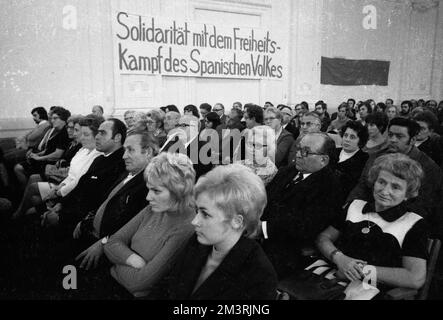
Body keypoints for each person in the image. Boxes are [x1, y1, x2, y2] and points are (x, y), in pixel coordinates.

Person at [316, 153, 428, 297]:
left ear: (407, 194)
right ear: (374, 182)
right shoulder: (354, 205)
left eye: (395, 187)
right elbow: (323, 238)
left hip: (371, 289)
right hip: (330, 276)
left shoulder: (414, 224)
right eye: (381, 182)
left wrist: (360, 270)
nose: (385, 191)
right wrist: (339, 258)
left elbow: (415, 278)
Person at [165, 164, 278, 300]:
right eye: (197, 211)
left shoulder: (260, 276)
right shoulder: (198, 241)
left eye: (205, 214)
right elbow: (165, 288)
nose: (194, 221)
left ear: (237, 221)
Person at [103, 152, 196, 298]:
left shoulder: (187, 227)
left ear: (180, 191)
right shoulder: (153, 209)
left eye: (156, 191)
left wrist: (115, 266)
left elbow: (139, 283)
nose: (148, 197)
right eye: (149, 189)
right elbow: (112, 242)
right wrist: (137, 262)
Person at [72, 131, 159, 270]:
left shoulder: (151, 184)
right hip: (91, 234)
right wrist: (87, 220)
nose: (124, 156)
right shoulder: (127, 173)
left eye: (130, 150)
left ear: (147, 152)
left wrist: (103, 242)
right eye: (124, 150)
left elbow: (134, 225)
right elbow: (106, 201)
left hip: (107, 248)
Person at [260, 133, 343, 277]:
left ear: (323, 160)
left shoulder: (330, 186)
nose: (298, 155)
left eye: (305, 152)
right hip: (261, 235)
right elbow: (265, 197)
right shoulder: (288, 171)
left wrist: (262, 228)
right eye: (298, 149)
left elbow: (304, 226)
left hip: (288, 250)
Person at [347, 117, 443, 239]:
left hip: (402, 223)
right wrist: (349, 207)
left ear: (412, 140)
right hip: (369, 214)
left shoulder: (428, 168)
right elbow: (362, 186)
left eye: (399, 136)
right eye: (390, 135)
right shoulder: (377, 157)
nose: (392, 140)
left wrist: (384, 219)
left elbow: (423, 206)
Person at [11, 116, 103, 219]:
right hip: (63, 185)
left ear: (97, 136)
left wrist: (58, 192)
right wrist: (59, 187)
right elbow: (71, 175)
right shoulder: (83, 150)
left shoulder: (97, 155)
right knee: (33, 200)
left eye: (85, 134)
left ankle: (21, 213)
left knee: (34, 196)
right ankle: (24, 213)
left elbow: (78, 181)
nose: (81, 137)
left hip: (71, 193)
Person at [14, 106, 71, 188]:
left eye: (55, 118)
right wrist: (38, 155)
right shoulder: (57, 131)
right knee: (20, 166)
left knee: (19, 169)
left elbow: (58, 154)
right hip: (45, 160)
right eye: (52, 118)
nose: (52, 120)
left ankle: (25, 191)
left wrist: (40, 158)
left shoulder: (64, 133)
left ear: (63, 119)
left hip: (50, 163)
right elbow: (48, 149)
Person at [334, 121, 369, 198]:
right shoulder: (333, 152)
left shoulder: (363, 159)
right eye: (345, 135)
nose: (347, 139)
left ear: (360, 140)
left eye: (352, 137)